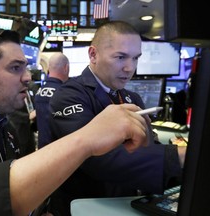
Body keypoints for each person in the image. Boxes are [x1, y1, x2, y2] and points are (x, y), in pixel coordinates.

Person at [0, 28, 150, 216]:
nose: (28, 77)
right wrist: (87, 138)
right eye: (15, 68)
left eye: (26, 67)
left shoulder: (5, 127)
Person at [46, 21, 186, 215]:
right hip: (84, 205)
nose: (130, 68)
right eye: (121, 57)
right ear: (93, 54)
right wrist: (177, 156)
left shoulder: (132, 98)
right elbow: (96, 158)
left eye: (135, 58)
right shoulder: (69, 96)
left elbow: (148, 144)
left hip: (125, 202)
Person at [34, 52, 70, 148]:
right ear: (66, 68)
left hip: (42, 149)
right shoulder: (65, 93)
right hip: (59, 150)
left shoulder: (39, 91)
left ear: (49, 68)